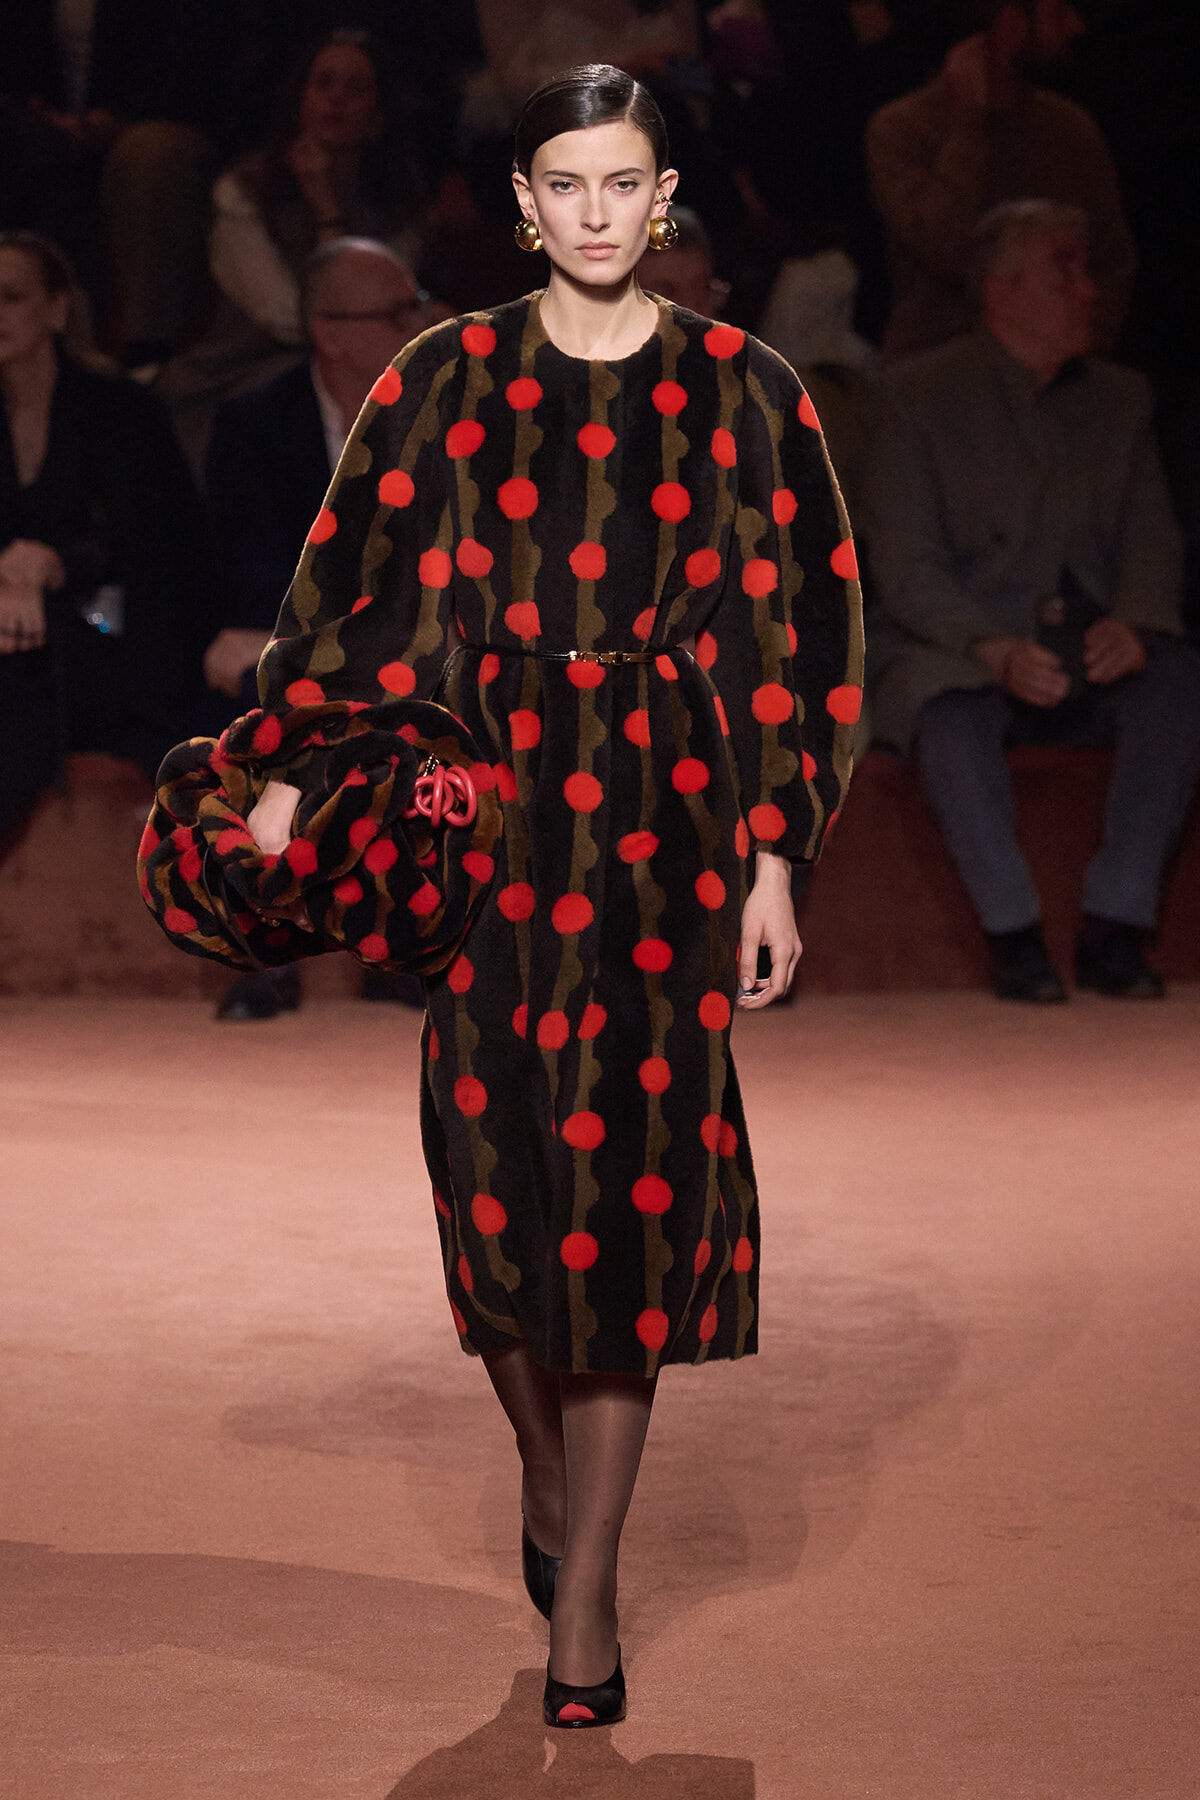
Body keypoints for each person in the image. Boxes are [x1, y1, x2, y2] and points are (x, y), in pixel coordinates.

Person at [236, 63, 861, 1724]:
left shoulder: (748, 389)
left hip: (670, 811)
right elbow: (351, 570)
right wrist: (292, 758)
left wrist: (778, 850)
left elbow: (798, 629)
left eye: (624, 183)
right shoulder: (445, 376)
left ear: (663, 203)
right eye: (565, 184)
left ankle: (585, 1597)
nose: (596, 212)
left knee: (638, 1191)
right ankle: (535, 1459)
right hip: (485, 794)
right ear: (524, 203)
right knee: (493, 1164)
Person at [865, 199, 1200, 1002]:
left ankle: (1116, 922)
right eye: (1065, 272)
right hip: (964, 641)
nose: (1087, 291)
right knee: (945, 708)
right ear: (1004, 290)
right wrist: (990, 646)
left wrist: (1137, 620)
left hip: (1085, 641)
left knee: (1179, 681)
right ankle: (1012, 931)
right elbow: (906, 565)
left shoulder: (1119, 399)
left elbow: (1153, 538)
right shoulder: (919, 395)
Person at [202, 236, 430, 1019]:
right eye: (396, 311)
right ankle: (263, 951)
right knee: (246, 688)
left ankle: (408, 942)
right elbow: (252, 566)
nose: (419, 321)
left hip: (415, 644)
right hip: (300, 644)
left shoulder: (450, 415)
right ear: (328, 331)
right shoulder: (256, 425)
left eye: (416, 303)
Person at [0, 230, 207, 848]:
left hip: (109, 628)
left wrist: (54, 567)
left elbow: (160, 557)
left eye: (9, 297)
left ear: (57, 308)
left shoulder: (122, 413)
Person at [866, 0, 1137, 359]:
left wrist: (1078, 350)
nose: (1077, 26)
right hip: (940, 373)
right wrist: (968, 124)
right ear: (1011, 24)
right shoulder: (903, 130)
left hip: (1063, 373)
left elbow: (1112, 261)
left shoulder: (1069, 128)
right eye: (1058, 12)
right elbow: (948, 251)